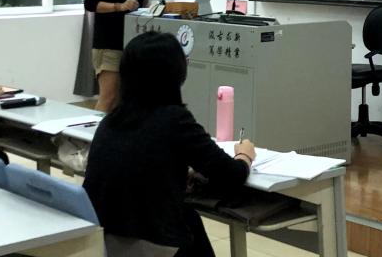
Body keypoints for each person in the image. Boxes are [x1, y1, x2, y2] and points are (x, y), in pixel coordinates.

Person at [84, 31, 256, 256]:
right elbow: (231, 174)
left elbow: (142, 164)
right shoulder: (174, 119)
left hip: (103, 241)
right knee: (189, 222)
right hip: (150, 242)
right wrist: (244, 155)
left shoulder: (111, 121)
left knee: (190, 218)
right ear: (175, 72)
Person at [84, 0, 152, 113]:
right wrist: (119, 6)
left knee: (123, 98)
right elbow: (90, 3)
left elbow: (136, 3)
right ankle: (95, 131)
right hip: (108, 42)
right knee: (108, 96)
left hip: (129, 41)